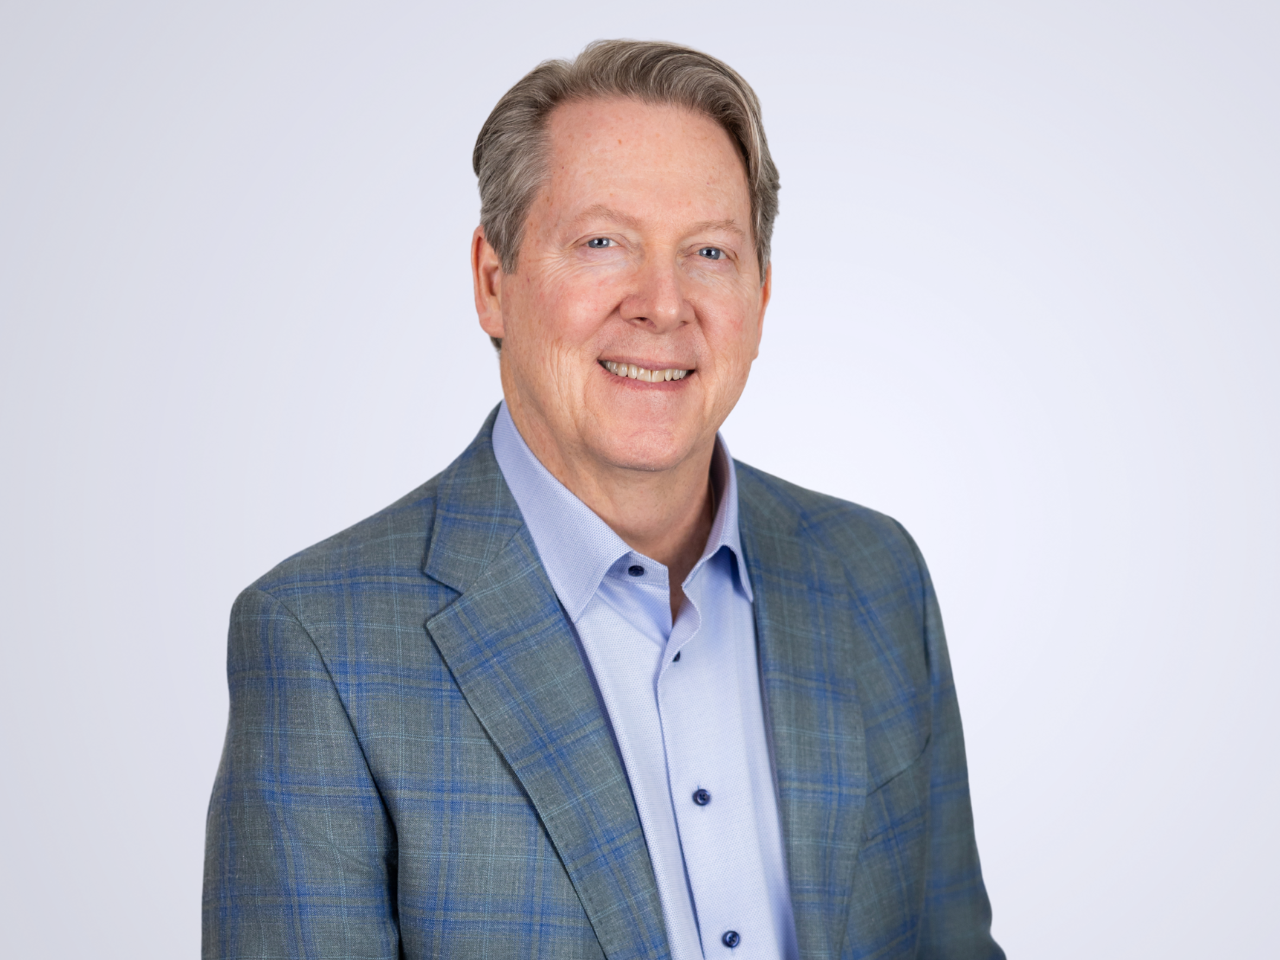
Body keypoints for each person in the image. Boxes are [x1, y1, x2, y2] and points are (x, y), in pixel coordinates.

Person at [203, 39, 1003, 960]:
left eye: (708, 250)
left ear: (762, 294)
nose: (662, 304)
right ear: (493, 281)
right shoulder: (324, 643)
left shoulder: (876, 578)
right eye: (601, 243)